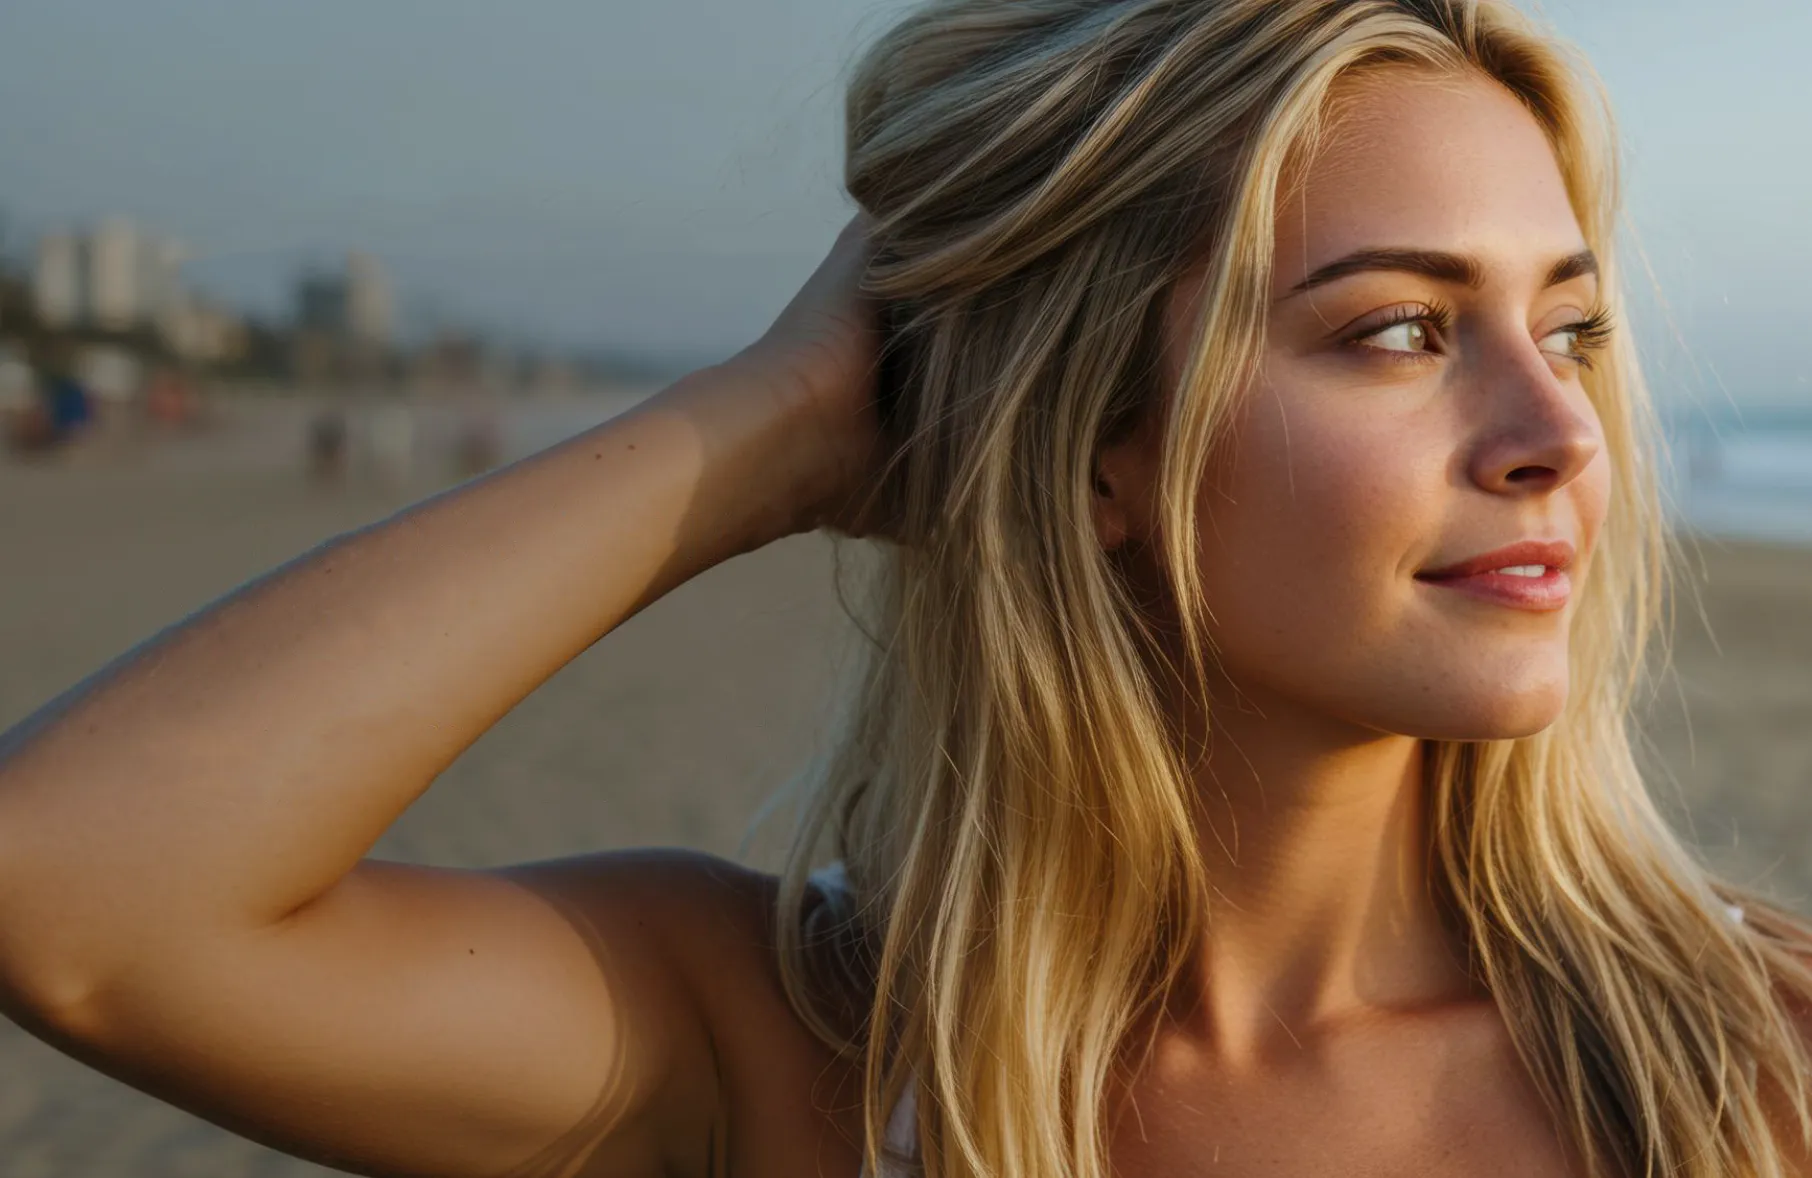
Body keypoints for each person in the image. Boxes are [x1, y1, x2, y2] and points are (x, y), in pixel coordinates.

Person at [0, 2, 1807, 1176]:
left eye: (1571, 326)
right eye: (1403, 330)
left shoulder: (1753, 1066)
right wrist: (783, 420)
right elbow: (74, 896)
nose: (1555, 428)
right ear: (1097, 441)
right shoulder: (803, 1054)